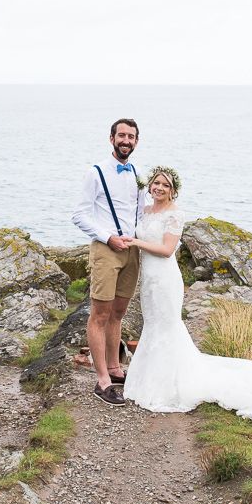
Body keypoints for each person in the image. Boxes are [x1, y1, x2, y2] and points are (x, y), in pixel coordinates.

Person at [123, 166, 252, 420]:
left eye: (165, 185)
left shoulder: (175, 215)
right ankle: (147, 380)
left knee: (168, 326)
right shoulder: (146, 211)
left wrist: (136, 242)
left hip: (165, 277)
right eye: (156, 183)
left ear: (173, 191)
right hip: (148, 279)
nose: (159, 188)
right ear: (150, 186)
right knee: (152, 325)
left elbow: (167, 250)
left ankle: (169, 386)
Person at [72, 118, 144, 406]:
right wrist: (108, 237)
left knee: (118, 312)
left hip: (132, 250)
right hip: (106, 249)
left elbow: (138, 213)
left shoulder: (137, 173)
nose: (126, 140)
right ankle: (102, 381)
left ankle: (115, 368)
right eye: (122, 135)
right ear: (112, 138)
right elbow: (79, 215)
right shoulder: (96, 172)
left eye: (131, 136)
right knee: (99, 314)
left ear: (136, 141)